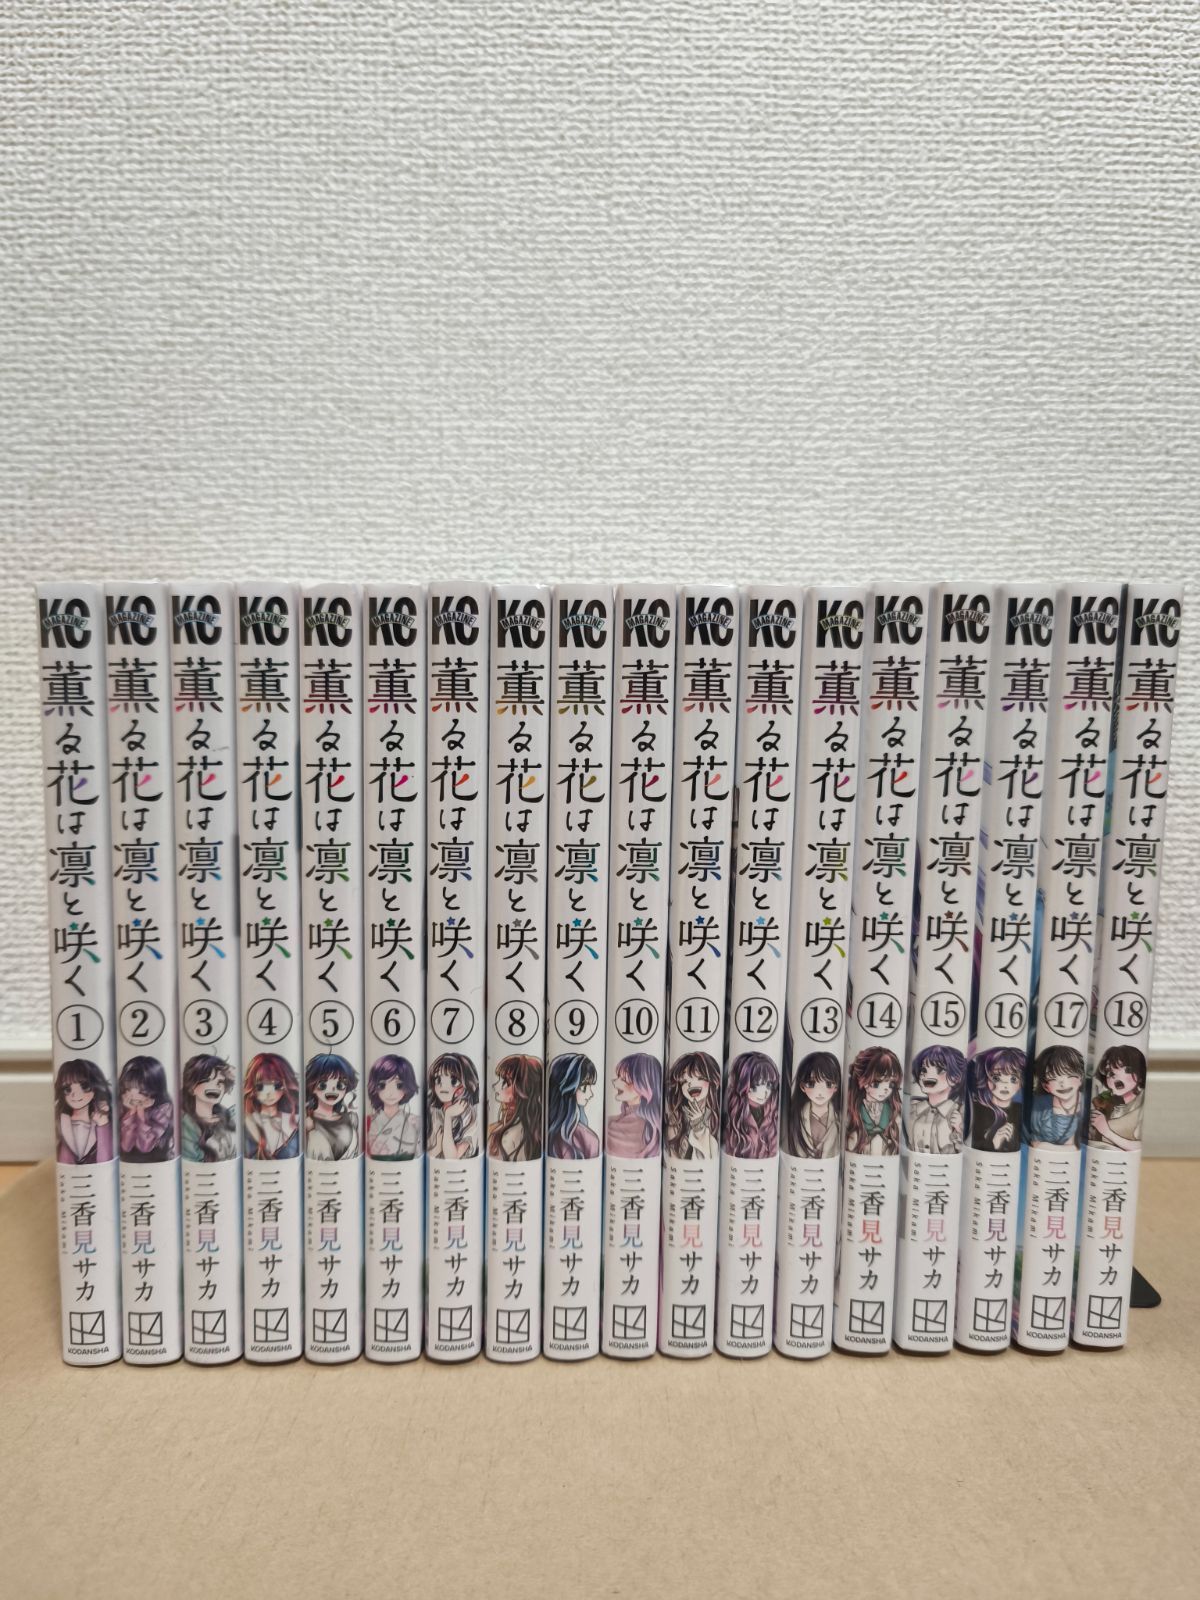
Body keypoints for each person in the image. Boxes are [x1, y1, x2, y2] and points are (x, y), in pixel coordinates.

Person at [905, 1044, 967, 1154]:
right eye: (924, 1069)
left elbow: (962, 1150)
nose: (927, 1075)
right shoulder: (913, 1109)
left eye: (940, 1070)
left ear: (956, 1078)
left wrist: (959, 1128)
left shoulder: (959, 1112)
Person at [843, 1047, 902, 1157]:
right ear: (863, 1081)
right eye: (877, 1083)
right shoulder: (853, 1113)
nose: (886, 1089)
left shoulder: (894, 1114)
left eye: (891, 1084)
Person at [783, 1050, 841, 1160]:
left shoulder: (839, 1118)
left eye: (828, 1084)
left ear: (836, 1087)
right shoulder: (796, 1116)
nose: (820, 1092)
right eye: (811, 1084)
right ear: (802, 1087)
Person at [54, 1058, 113, 1165]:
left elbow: (104, 1160)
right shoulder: (62, 1121)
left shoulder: (100, 1121)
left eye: (84, 1086)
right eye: (67, 1089)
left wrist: (103, 1125)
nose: (75, 1094)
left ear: (95, 1087)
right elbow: (64, 1161)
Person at [663, 1051, 721, 1160]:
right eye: (684, 1081)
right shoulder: (676, 1119)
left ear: (713, 1081)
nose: (691, 1084)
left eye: (700, 1078)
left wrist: (698, 1125)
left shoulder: (716, 1116)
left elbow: (710, 1157)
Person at [722, 1052, 780, 1159]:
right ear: (743, 1084)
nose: (765, 1093)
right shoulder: (736, 1113)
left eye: (769, 1085)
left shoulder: (771, 1112)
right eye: (756, 1085)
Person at [243, 1052, 300, 1159]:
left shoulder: (296, 1120)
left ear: (286, 1085)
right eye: (260, 1087)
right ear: (252, 1088)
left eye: (276, 1085)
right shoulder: (246, 1121)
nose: (268, 1093)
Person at [1089, 1044, 1147, 1150]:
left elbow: (1140, 1147)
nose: (1114, 1075)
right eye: (1109, 1072)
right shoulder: (1107, 1103)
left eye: (1125, 1070)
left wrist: (1106, 1131)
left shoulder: (1144, 1103)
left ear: (1140, 1075)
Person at [487, 1054, 543, 1161]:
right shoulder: (529, 1127)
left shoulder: (510, 1136)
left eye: (506, 1082)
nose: (494, 1086)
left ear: (523, 1089)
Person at [605, 1053, 662, 1159]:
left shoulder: (635, 1125)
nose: (614, 1082)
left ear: (644, 1085)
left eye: (624, 1079)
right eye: (618, 1077)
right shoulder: (614, 1120)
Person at [181, 1054, 237, 1162]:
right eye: (208, 1080)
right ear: (191, 1087)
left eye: (220, 1082)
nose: (216, 1086)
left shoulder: (229, 1116)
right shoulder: (187, 1125)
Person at [118, 1056, 174, 1162]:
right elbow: (125, 1146)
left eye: (142, 1091)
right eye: (127, 1089)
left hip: (156, 1161)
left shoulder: (163, 1108)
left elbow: (145, 1146)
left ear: (154, 1090)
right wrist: (131, 1112)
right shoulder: (120, 1104)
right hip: (126, 1162)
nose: (132, 1096)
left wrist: (140, 1113)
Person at [304, 1053, 359, 1160]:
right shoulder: (307, 1121)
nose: (332, 1090)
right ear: (312, 1087)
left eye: (340, 1085)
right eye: (323, 1085)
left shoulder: (352, 1119)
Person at [364, 1054, 420, 1159]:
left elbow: (417, 1153)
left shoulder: (415, 1122)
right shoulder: (368, 1121)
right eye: (382, 1085)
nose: (390, 1093)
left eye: (399, 1085)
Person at [1028, 1045, 1085, 1147]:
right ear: (1045, 1085)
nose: (1062, 1084)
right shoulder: (1040, 1105)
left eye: (1068, 1074)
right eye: (1053, 1077)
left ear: (1080, 1077)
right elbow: (1035, 1141)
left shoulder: (1088, 1104)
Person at [426, 1052, 479, 1159]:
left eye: (453, 1081)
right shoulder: (433, 1112)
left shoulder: (470, 1116)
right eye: (438, 1079)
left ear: (466, 1083)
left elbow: (451, 1157)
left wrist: (448, 1116)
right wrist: (436, 1149)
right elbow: (428, 1152)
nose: (442, 1086)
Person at [969, 1046, 1024, 1152]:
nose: (1005, 1085)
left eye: (1013, 1079)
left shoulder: (1020, 1110)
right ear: (986, 1079)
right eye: (996, 1078)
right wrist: (994, 1143)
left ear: (1021, 1082)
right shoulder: (977, 1110)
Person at [545, 1053, 599, 1159]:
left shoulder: (588, 1139)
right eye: (584, 1087)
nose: (591, 1094)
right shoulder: (589, 1140)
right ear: (569, 1088)